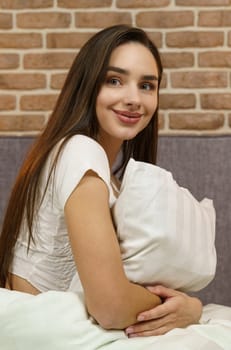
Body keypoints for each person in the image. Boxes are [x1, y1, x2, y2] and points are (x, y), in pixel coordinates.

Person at [0, 24, 202, 337]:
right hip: (46, 331)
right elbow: (110, 305)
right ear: (87, 86)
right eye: (114, 80)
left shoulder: (108, 176)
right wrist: (184, 307)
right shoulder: (81, 151)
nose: (134, 98)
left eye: (147, 86)